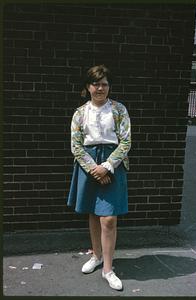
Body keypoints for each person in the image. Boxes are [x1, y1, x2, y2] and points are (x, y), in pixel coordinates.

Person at [67, 65, 131, 291]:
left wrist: (107, 167)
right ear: (88, 86)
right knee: (94, 213)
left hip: (112, 163)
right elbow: (76, 145)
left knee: (109, 218)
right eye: (96, 84)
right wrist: (94, 168)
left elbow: (125, 142)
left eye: (104, 83)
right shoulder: (79, 113)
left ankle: (108, 269)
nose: (100, 88)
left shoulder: (119, 110)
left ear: (109, 86)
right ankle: (96, 255)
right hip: (88, 163)